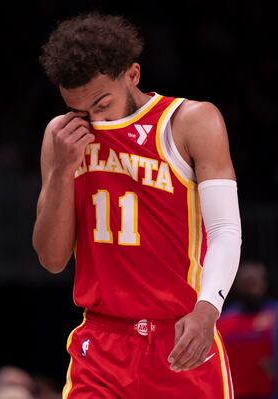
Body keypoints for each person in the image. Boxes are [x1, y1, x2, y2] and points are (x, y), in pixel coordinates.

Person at [33, 12, 242, 398]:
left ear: (132, 75)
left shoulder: (192, 121)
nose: (93, 120)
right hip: (102, 343)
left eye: (102, 104)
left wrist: (208, 307)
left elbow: (225, 230)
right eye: (79, 110)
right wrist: (63, 171)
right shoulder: (61, 137)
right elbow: (52, 259)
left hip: (181, 334)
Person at [217, 261, 278, 399]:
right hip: (234, 393)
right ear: (237, 284)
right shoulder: (222, 320)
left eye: (256, 281)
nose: (252, 287)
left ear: (264, 282)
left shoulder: (275, 314)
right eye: (247, 281)